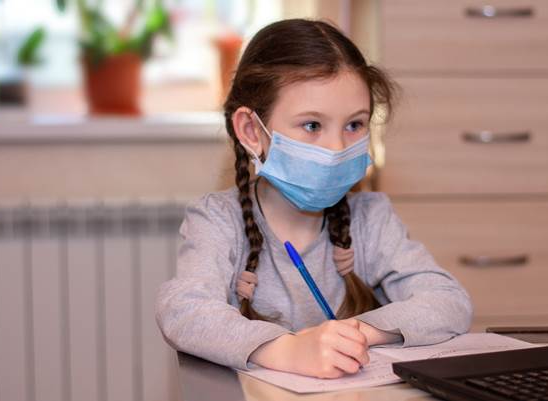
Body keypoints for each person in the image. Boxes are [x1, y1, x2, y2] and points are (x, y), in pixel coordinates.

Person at [156, 19, 472, 379]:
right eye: (312, 126)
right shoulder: (217, 219)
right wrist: (288, 349)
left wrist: (354, 337)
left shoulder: (371, 217)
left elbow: (449, 301)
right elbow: (183, 312)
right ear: (250, 131)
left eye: (354, 125)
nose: (337, 148)